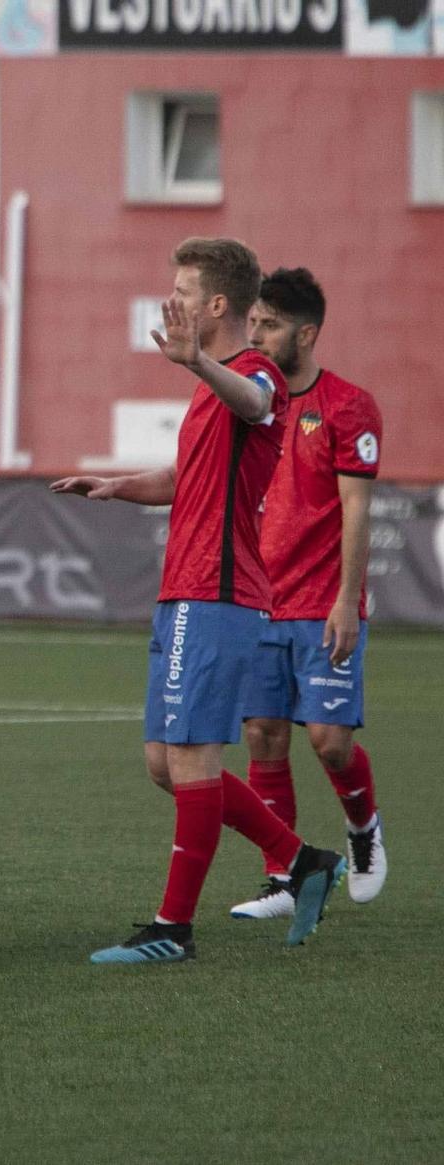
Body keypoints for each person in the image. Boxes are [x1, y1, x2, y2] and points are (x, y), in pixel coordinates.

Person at [51, 237, 345, 965]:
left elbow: (255, 402)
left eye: (183, 289)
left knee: (189, 759)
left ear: (218, 304)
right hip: (185, 589)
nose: (172, 299)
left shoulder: (252, 374)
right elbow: (190, 474)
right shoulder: (212, 384)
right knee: (164, 760)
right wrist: (120, 485)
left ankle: (172, 928)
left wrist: (197, 362)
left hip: (216, 593)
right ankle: (302, 858)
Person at [232, 267, 387, 919]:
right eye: (254, 322)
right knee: (264, 734)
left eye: (269, 324)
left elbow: (356, 509)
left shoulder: (349, 404)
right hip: (256, 601)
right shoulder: (247, 402)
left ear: (307, 332)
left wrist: (347, 600)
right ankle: (284, 876)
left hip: (321, 602)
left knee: (328, 739)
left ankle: (362, 829)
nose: (257, 334)